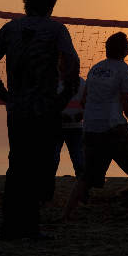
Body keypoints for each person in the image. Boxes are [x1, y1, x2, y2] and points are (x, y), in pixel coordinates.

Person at [0, 0, 80, 240]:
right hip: (44, 109)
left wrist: (2, 92)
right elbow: (72, 61)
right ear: (52, 4)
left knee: (17, 166)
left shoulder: (11, 28)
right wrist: (64, 96)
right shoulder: (56, 30)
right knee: (38, 168)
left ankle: (10, 226)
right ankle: (29, 228)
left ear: (27, 1)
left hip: (18, 110)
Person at [62, 32, 128, 220]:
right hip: (113, 128)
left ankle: (66, 214)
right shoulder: (124, 71)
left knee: (86, 176)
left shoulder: (94, 69)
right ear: (126, 50)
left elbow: (84, 101)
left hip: (91, 128)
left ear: (107, 49)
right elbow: (127, 103)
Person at [46, 73, 86, 202]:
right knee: (52, 161)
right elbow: (45, 104)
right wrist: (59, 116)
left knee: (79, 161)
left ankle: (83, 194)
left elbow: (87, 102)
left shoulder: (81, 82)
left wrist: (82, 114)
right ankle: (47, 193)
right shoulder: (50, 82)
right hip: (55, 127)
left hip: (75, 127)